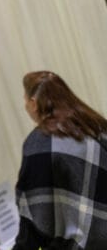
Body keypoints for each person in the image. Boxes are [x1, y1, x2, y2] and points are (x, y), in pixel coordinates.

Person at [13, 71, 107, 250]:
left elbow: (33, 214)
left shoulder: (40, 142)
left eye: (25, 100)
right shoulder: (96, 125)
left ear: (33, 104)